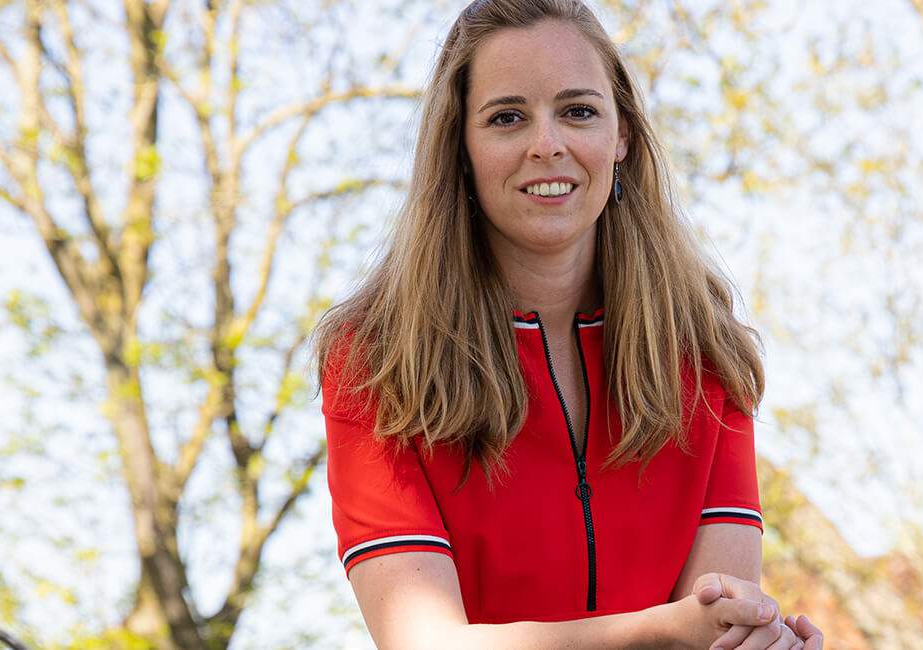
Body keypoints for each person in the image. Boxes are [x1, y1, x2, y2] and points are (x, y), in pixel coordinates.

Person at [316, 0, 824, 647]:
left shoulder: (709, 356)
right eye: (507, 118)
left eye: (578, 111)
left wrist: (757, 639)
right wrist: (661, 632)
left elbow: (713, 627)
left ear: (622, 136)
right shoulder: (375, 363)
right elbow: (425, 642)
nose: (547, 145)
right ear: (460, 149)